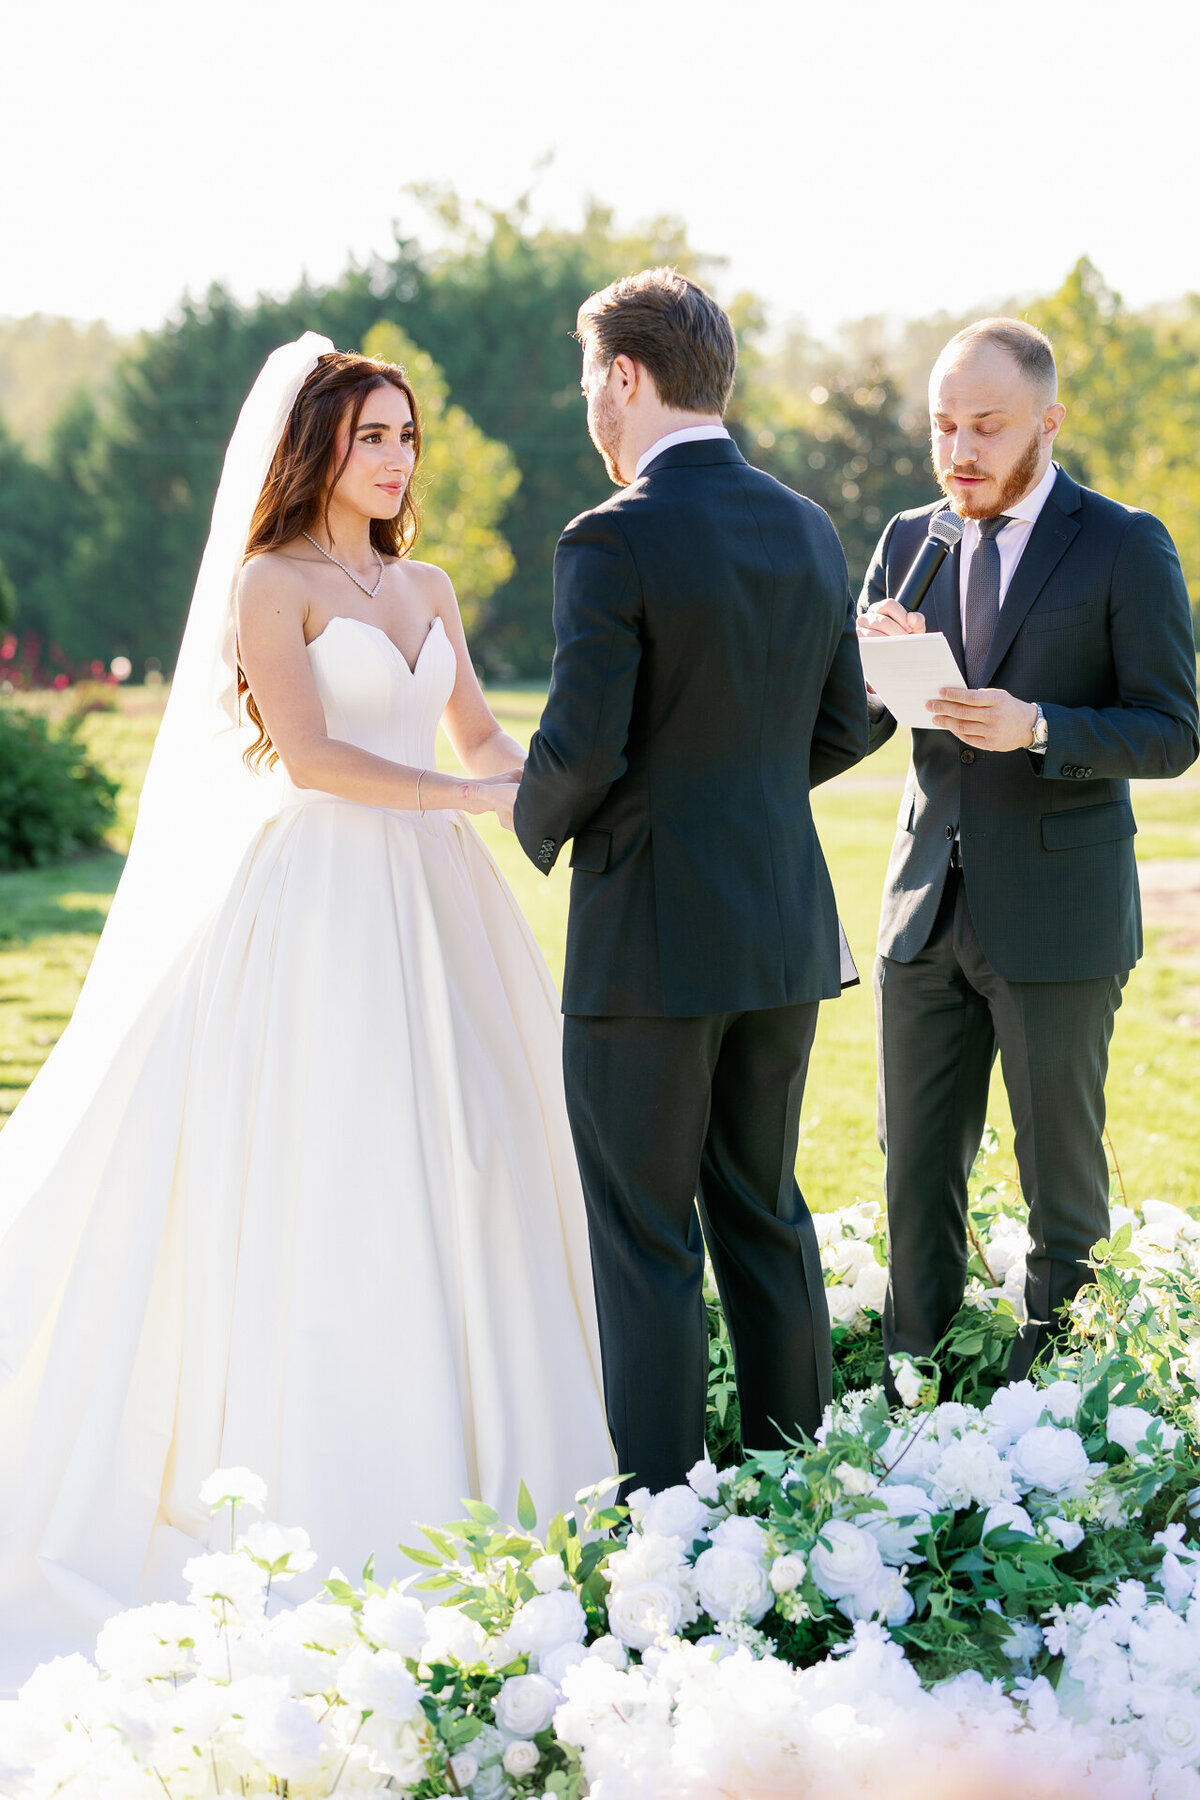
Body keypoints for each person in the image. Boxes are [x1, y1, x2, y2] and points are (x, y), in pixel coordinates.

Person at [0, 337, 613, 1684]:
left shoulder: (431, 583)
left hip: (440, 899)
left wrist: (552, 796)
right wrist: (462, 802)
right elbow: (318, 753)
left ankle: (492, 1452)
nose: (395, 457)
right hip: (324, 895)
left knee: (482, 1150)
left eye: (405, 436)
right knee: (334, 1159)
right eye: (372, 435)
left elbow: (482, 744)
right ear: (316, 450)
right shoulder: (268, 585)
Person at [512, 268, 870, 1497]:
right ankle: (797, 1491)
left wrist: (526, 818)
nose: (588, 413)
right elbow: (846, 722)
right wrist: (746, 787)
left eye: (587, 384)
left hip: (649, 941)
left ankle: (661, 1519)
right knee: (764, 1214)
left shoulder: (611, 536)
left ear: (626, 376)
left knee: (647, 1239)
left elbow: (580, 749)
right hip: (782, 933)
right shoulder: (811, 526)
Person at [856, 317, 1199, 1386]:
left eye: (987, 426)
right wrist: (870, 668)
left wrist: (1041, 725)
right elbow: (865, 717)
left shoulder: (1122, 543)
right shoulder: (911, 538)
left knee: (1063, 1187)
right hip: (923, 909)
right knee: (914, 1175)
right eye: (944, 427)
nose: (960, 450)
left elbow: (1171, 729)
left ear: (1047, 422)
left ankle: (1067, 1418)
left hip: (1059, 917)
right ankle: (916, 1394)